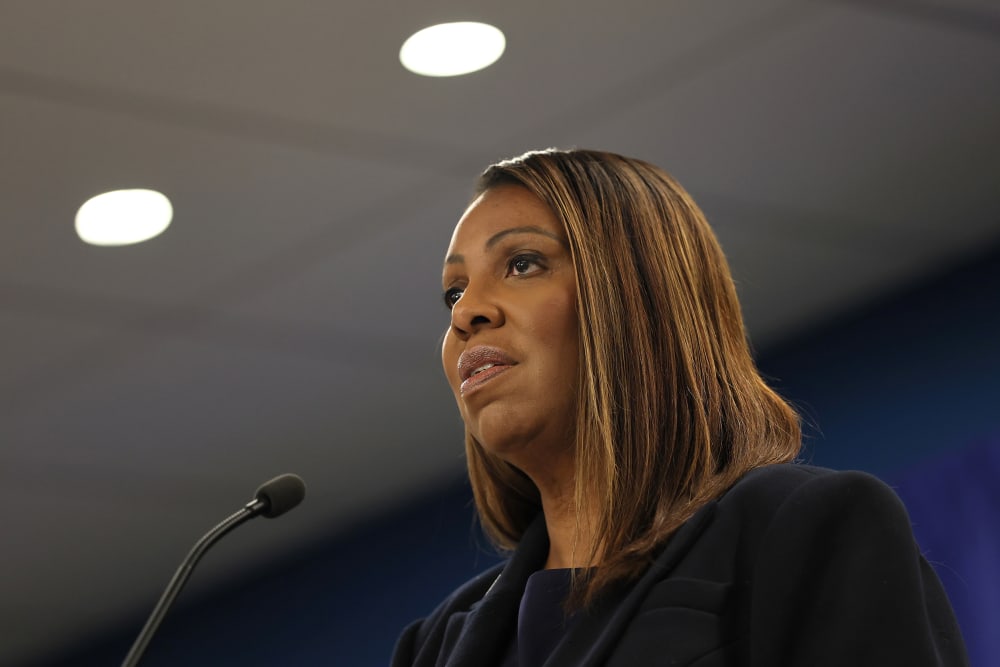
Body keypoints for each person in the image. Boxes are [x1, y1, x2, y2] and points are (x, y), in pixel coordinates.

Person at [392, 149, 968, 666]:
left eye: (522, 263)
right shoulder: (435, 645)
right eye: (454, 291)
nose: (466, 313)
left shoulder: (804, 529)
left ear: (637, 296)